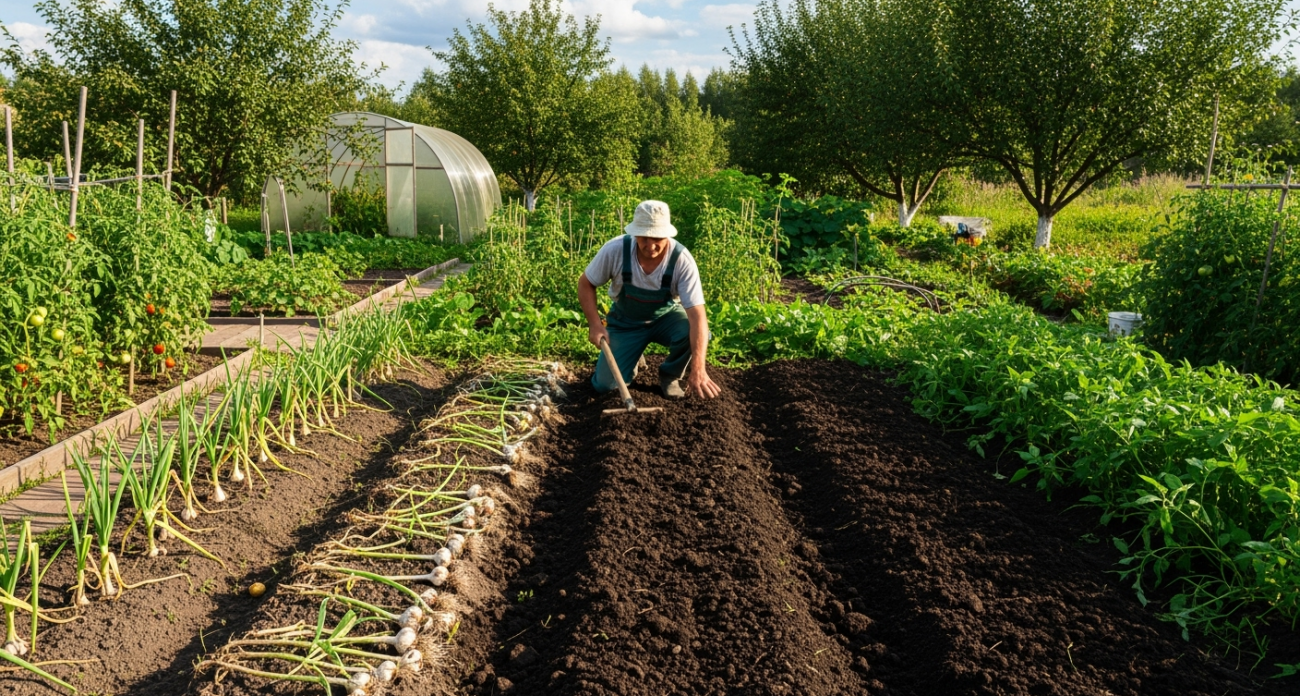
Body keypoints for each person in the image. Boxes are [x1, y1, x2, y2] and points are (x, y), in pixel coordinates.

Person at [578, 200, 722, 400]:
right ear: (635, 233)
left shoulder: (681, 260)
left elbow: (698, 317)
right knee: (605, 386)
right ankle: (633, 355)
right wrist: (595, 324)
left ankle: (670, 375)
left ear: (668, 235)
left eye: (657, 238)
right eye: (644, 238)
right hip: (625, 322)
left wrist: (698, 369)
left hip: (665, 318)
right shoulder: (616, 250)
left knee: (696, 332)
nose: (650, 246)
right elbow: (585, 284)